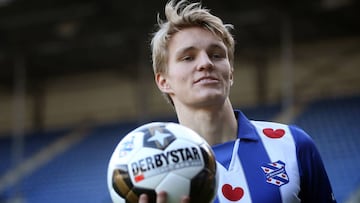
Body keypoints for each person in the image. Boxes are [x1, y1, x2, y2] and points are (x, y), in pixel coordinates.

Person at [142, 0, 337, 202]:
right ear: (163, 81)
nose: (206, 63)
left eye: (216, 55)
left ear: (231, 73)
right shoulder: (152, 176)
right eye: (188, 57)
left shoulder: (292, 144)